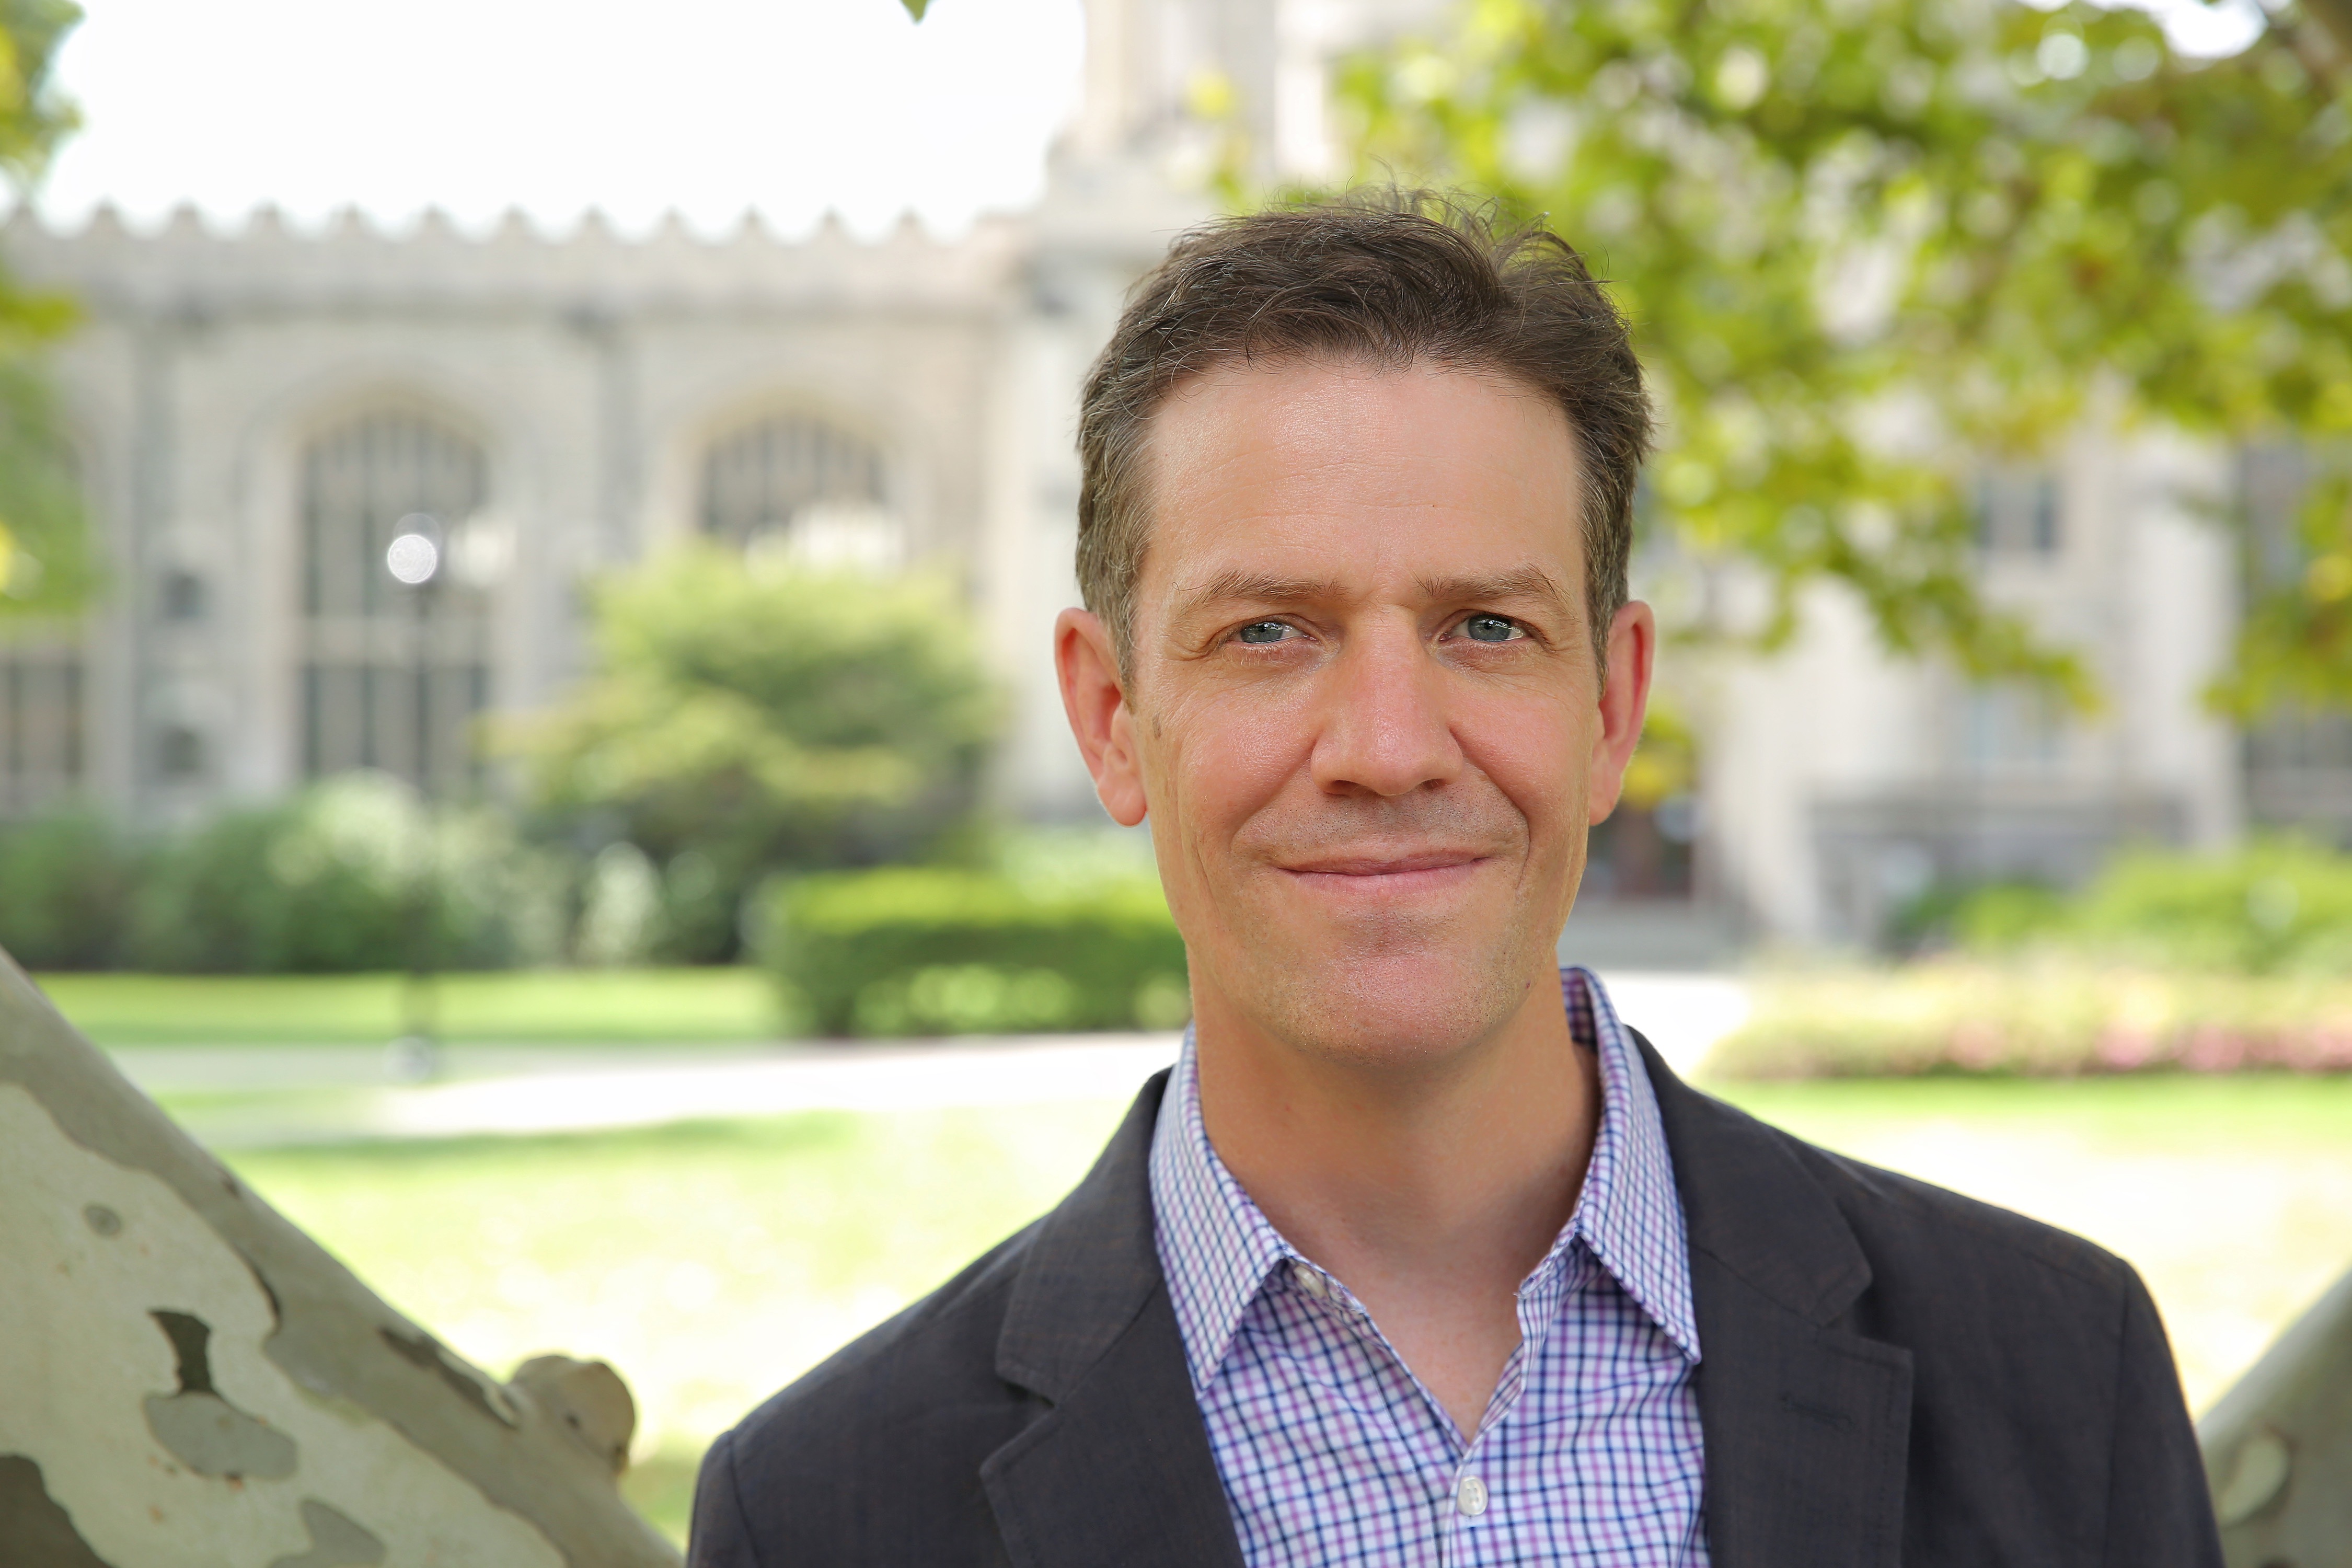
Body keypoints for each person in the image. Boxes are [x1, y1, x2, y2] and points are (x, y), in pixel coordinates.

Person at [687, 194, 2223, 1566]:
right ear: (1110, 720)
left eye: (1485, 627)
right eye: (1268, 631)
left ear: (1611, 709)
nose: (1387, 747)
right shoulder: (825, 1510)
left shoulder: (2053, 1373)